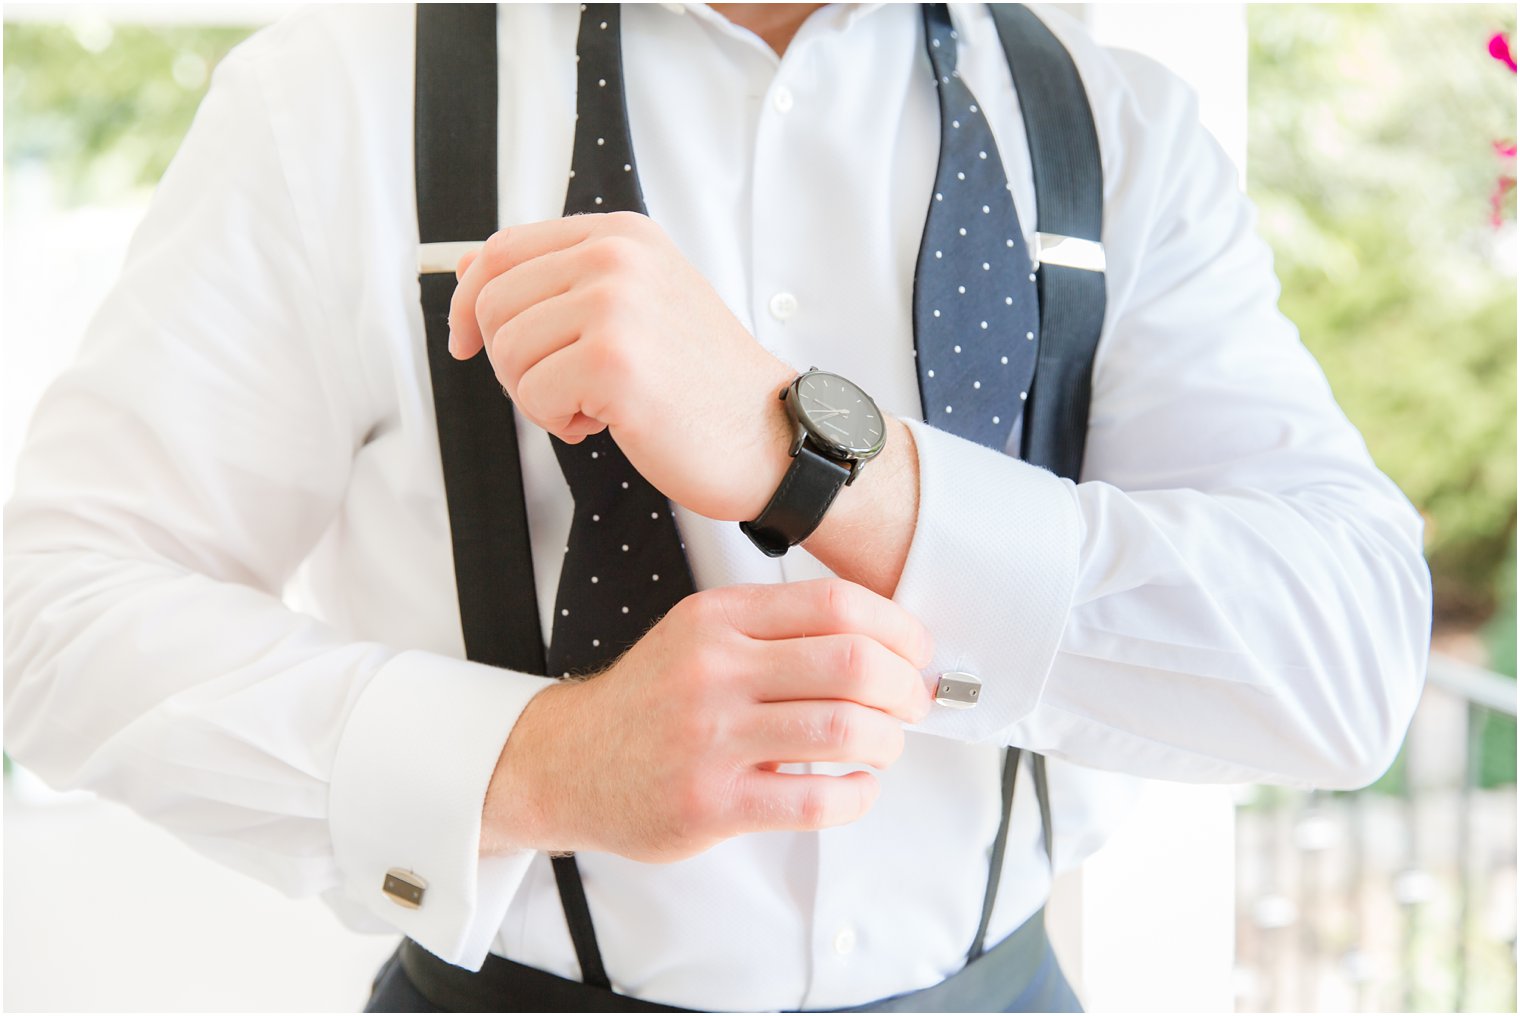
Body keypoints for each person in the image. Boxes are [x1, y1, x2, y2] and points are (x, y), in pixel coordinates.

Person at [2, 3, 1431, 1013]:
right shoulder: (338, 103)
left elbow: (1344, 661)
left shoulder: (1115, 127)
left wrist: (796, 456)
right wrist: (540, 763)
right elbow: (50, 611)